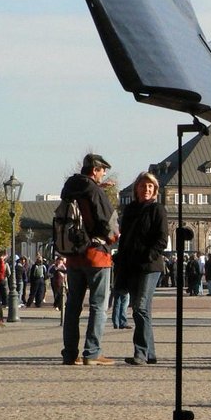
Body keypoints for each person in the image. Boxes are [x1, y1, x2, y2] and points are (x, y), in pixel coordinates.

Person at [60, 153, 119, 366]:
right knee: (98, 306)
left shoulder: (69, 188)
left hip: (73, 256)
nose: (104, 174)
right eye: (102, 170)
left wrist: (99, 188)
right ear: (95, 170)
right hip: (96, 256)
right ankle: (92, 352)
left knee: (73, 305)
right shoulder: (94, 190)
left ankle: (69, 353)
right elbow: (107, 223)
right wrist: (113, 238)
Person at [114, 171, 169, 365]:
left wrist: (149, 254)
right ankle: (150, 353)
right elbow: (125, 239)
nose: (146, 189)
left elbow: (162, 239)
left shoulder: (158, 210)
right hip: (131, 265)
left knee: (140, 308)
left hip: (150, 265)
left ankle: (141, 352)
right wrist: (120, 260)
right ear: (136, 188)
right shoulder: (129, 211)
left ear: (155, 190)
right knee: (143, 310)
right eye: (142, 186)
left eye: (150, 187)